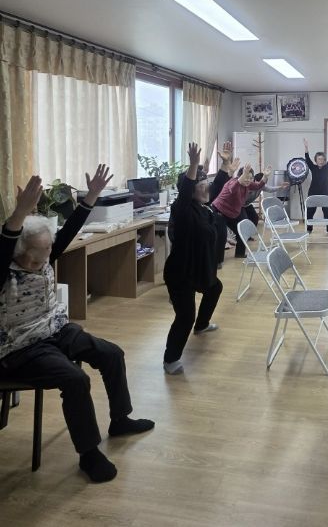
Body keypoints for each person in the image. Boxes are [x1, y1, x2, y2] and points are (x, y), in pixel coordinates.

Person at [0, 167, 154, 482]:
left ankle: (120, 419)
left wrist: (92, 196)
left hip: (55, 330)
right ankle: (89, 454)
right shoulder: (4, 270)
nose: (49, 256)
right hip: (21, 348)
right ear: (22, 251)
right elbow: (4, 245)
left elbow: (70, 229)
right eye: (42, 252)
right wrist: (19, 213)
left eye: (49, 250)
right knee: (75, 379)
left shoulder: (45, 255)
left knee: (112, 354)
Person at [164, 143, 223, 375]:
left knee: (215, 287)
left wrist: (225, 168)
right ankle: (170, 359)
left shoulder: (204, 208)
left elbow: (217, 187)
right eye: (201, 185)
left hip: (199, 269)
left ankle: (202, 325)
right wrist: (193, 165)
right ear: (189, 190)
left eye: (206, 183)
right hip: (181, 274)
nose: (206, 187)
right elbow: (186, 189)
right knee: (185, 316)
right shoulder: (183, 209)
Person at [212, 163, 271, 259]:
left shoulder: (248, 184)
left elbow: (258, 185)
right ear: (240, 176)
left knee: (242, 232)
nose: (248, 180)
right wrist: (244, 175)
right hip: (219, 211)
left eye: (250, 178)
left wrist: (265, 176)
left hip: (232, 213)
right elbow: (233, 188)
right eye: (246, 177)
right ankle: (217, 261)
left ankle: (240, 254)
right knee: (221, 235)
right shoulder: (233, 182)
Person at [304, 138, 328, 234]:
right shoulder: (313, 167)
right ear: (316, 160)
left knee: (327, 212)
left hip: (325, 192)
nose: (321, 160)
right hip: (313, 192)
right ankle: (309, 229)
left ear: (324, 160)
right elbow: (307, 159)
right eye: (319, 159)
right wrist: (306, 148)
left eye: (322, 159)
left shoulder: (327, 168)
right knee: (310, 211)